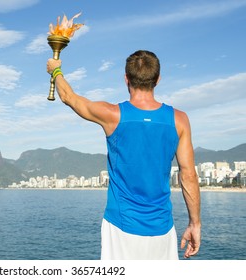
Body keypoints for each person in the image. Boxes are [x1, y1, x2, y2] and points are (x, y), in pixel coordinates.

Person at [46, 50, 201, 260]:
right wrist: (194, 224)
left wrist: (55, 70)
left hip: (120, 226)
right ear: (158, 79)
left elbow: (69, 98)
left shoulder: (112, 115)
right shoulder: (179, 120)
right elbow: (189, 175)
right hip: (162, 228)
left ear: (126, 79)